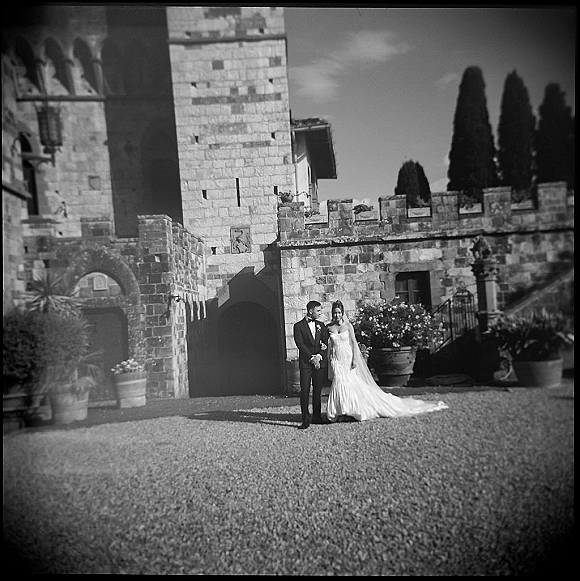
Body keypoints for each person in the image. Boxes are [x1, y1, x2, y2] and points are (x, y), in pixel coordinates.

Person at [326, 300, 448, 422]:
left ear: (342, 313)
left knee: (350, 383)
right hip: (337, 360)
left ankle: (349, 410)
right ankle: (340, 410)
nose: (337, 315)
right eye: (334, 313)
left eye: (339, 312)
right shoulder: (329, 327)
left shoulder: (348, 326)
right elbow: (327, 344)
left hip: (347, 357)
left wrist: (354, 359)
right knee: (338, 382)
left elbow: (353, 343)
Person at [293, 300, 330, 429]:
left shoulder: (321, 325)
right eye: (318, 311)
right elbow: (300, 344)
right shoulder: (298, 326)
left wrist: (319, 356)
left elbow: (325, 341)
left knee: (318, 390)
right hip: (306, 363)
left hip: (319, 361)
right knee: (305, 390)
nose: (320, 313)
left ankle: (317, 416)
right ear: (310, 311)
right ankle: (305, 419)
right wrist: (311, 358)